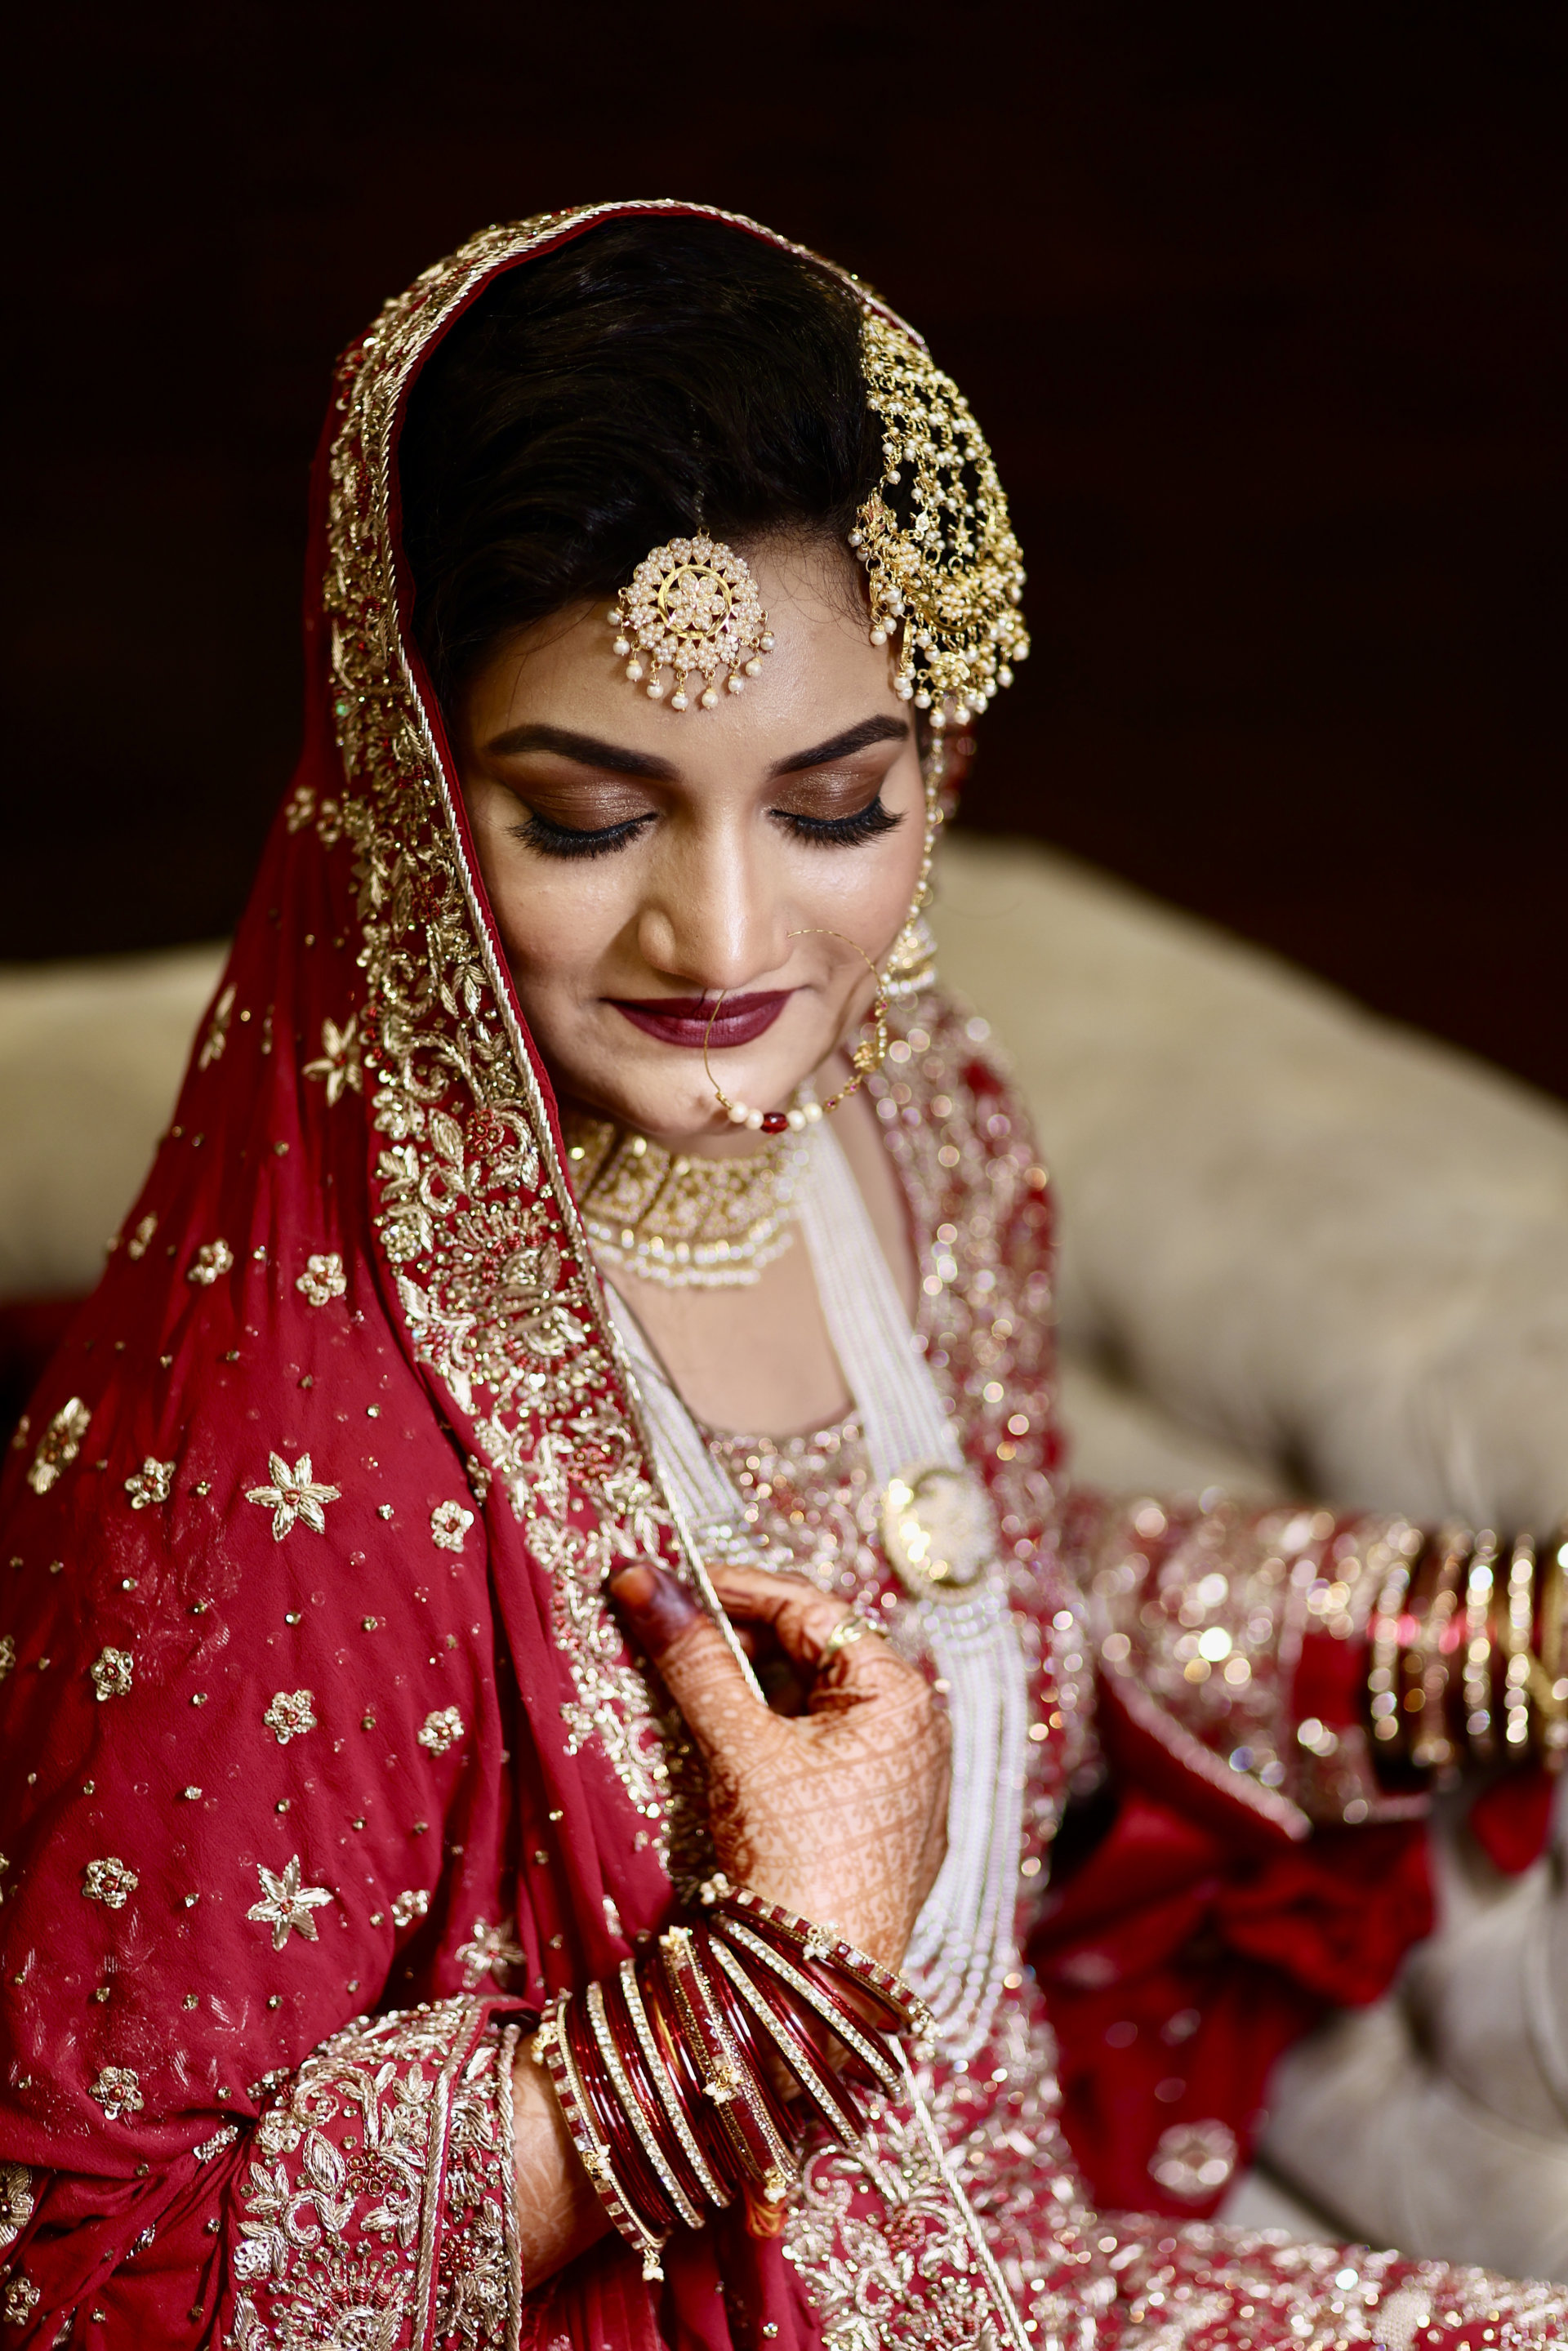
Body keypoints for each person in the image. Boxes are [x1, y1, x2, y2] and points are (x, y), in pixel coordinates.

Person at [0, 198, 1562, 2349]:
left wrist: (1458, 1634)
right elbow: (81, 2273)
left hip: (1027, 2274)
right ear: (406, 784)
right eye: (584, 821)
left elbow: (942, 1617)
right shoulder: (304, 1447)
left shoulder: (915, 1119)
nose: (727, 946)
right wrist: (744, 2007)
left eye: (836, 804)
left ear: (948, 755)